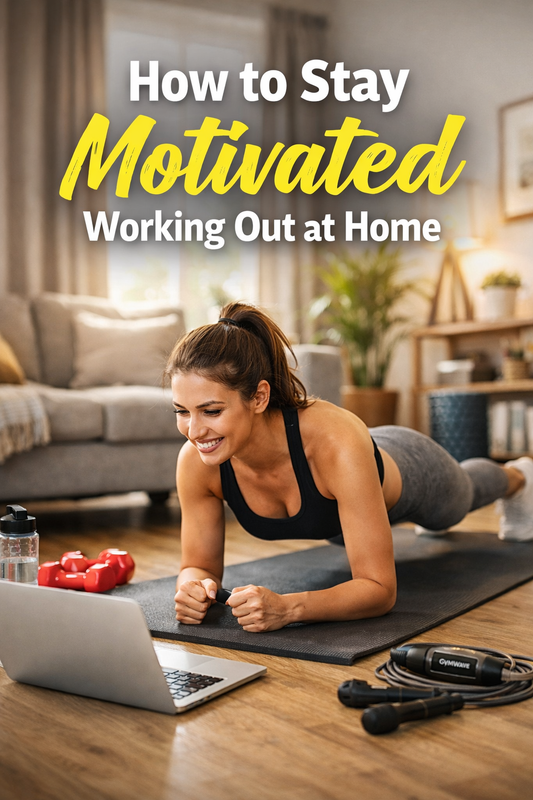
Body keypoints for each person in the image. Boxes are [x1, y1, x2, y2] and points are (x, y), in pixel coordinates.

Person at [167, 302, 533, 633]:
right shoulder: (198, 461)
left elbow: (379, 591)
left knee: (461, 498)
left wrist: (289, 608)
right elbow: (197, 565)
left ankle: (519, 475)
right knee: (354, 532)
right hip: (343, 502)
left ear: (259, 397)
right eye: (182, 412)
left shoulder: (333, 442)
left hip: (412, 468)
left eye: (211, 411)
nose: (194, 431)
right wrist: (192, 588)